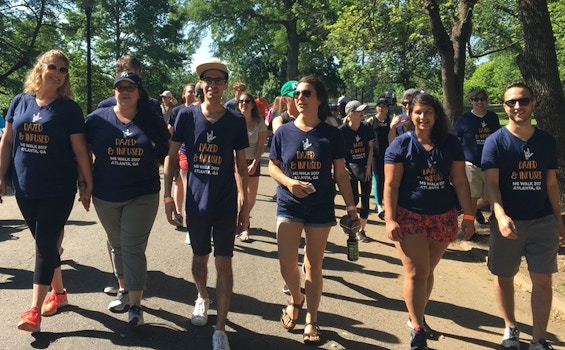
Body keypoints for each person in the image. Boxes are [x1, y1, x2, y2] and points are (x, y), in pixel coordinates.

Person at [0, 49, 93, 333]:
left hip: (57, 188)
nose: (57, 73)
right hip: (25, 188)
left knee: (43, 245)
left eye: (63, 70)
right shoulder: (20, 101)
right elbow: (7, 142)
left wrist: (87, 183)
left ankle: (33, 311)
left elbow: (80, 150)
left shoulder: (69, 109)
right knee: (47, 245)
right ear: (40, 68)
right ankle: (60, 293)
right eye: (53, 66)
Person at [163, 60, 249, 350]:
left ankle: (220, 328)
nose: (212, 85)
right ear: (201, 84)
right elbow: (172, 159)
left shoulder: (235, 121)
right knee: (200, 258)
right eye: (207, 80)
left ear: (226, 84)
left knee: (224, 262)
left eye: (218, 80)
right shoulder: (186, 116)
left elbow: (240, 166)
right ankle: (202, 296)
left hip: (225, 204)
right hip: (196, 203)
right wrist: (168, 197)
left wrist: (244, 204)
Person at [269, 75, 359, 345]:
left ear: (319, 99)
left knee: (314, 265)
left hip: (320, 207)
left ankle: (312, 318)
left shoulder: (332, 134)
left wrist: (351, 206)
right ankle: (296, 298)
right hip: (289, 202)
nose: (300, 98)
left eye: (306, 93)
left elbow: (341, 174)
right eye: (297, 93)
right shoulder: (283, 132)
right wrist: (289, 182)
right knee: (286, 263)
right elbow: (273, 166)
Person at [383, 92, 475, 350]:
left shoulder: (451, 144)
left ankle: (417, 316)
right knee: (416, 271)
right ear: (410, 115)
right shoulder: (400, 145)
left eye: (428, 113)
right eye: (418, 112)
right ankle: (417, 329)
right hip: (409, 214)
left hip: (442, 216)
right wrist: (390, 219)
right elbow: (391, 184)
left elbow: (459, 180)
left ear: (436, 116)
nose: (423, 117)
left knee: (428, 271)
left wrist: (468, 215)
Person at [482, 82, 565, 350]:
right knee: (504, 276)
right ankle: (510, 328)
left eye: (523, 101)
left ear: (533, 104)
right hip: (508, 222)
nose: (518, 106)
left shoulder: (546, 141)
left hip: (542, 221)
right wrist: (501, 215)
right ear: (505, 107)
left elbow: (551, 184)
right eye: (511, 103)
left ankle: (539, 339)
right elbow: (491, 185)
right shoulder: (495, 141)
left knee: (542, 279)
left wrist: (560, 222)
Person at [85, 71, 169, 327]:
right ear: (114, 92)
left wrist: (154, 162)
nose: (124, 91)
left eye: (129, 87)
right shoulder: (97, 119)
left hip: (141, 194)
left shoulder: (149, 119)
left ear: (138, 92)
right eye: (119, 87)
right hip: (105, 194)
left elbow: (165, 145)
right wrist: (84, 183)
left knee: (131, 246)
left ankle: (135, 305)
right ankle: (123, 289)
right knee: (117, 244)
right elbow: (80, 149)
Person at [96, 55, 162, 295]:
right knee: (115, 238)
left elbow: (162, 139)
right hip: (109, 186)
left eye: (133, 71)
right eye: (123, 72)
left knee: (132, 240)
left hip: (141, 185)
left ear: (140, 75)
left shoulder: (151, 105)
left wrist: (156, 160)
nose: (128, 76)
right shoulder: (104, 107)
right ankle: (121, 281)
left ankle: (132, 287)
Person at [453, 88, 501, 227]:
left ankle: (478, 208)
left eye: (482, 99)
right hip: (470, 163)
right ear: (471, 102)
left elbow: (498, 139)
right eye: (476, 99)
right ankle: (470, 227)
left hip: (490, 163)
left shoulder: (492, 117)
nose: (479, 102)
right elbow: (456, 140)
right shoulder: (464, 119)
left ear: (486, 101)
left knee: (488, 197)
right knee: (472, 196)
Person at [339, 100, 374, 242]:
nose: (362, 113)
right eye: (359, 111)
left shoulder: (366, 127)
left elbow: (371, 148)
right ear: (350, 113)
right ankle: (352, 225)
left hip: (365, 167)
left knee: (365, 200)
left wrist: (369, 166)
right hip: (350, 170)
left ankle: (362, 231)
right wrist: (343, 167)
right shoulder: (342, 130)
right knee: (353, 200)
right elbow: (338, 152)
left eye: (362, 110)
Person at [236, 92, 268, 242]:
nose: (244, 104)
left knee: (251, 197)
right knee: (242, 196)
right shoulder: (234, 121)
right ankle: (244, 228)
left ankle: (242, 218)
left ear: (252, 104)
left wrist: (255, 163)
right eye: (241, 101)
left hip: (252, 161)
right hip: (237, 162)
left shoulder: (259, 122)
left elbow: (261, 146)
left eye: (247, 101)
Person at [169, 83, 199, 229]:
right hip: (182, 151)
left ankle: (191, 217)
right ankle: (179, 213)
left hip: (198, 153)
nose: (192, 94)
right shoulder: (178, 111)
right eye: (189, 91)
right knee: (180, 182)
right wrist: (171, 154)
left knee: (190, 185)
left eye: (194, 91)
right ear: (183, 94)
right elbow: (170, 132)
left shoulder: (200, 111)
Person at [368, 97, 391, 219]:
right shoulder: (372, 120)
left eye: (384, 106)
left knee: (387, 179)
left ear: (387, 109)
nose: (381, 108)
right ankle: (379, 205)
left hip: (388, 154)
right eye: (379, 106)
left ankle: (385, 202)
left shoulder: (390, 121)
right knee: (377, 179)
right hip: (375, 154)